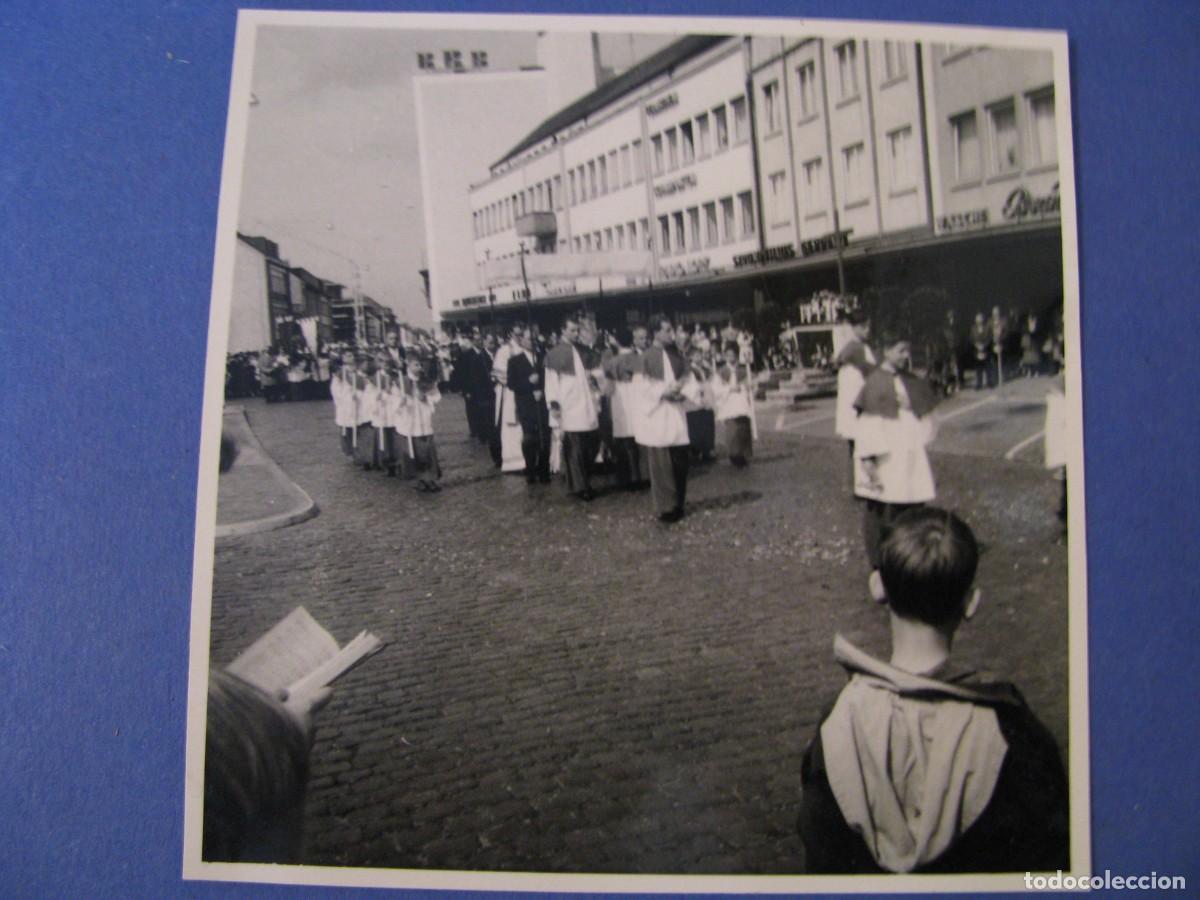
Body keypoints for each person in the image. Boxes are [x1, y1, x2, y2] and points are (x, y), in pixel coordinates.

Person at [798, 507, 1069, 874]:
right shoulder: (1013, 735)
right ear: (971, 603)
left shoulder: (837, 725)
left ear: (877, 587)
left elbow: (822, 856)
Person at [853, 335, 939, 570]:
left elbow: (927, 419)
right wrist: (869, 462)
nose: (905, 356)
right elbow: (866, 426)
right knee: (884, 511)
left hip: (909, 454)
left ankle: (911, 556)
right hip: (886, 460)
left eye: (907, 350)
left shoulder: (910, 380)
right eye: (901, 350)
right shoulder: (875, 382)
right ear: (887, 350)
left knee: (912, 506)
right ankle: (884, 563)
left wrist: (913, 407)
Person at [634, 317, 700, 523]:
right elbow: (640, 389)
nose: (672, 334)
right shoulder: (645, 358)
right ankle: (665, 507)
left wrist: (684, 394)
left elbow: (690, 381)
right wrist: (663, 393)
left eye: (672, 330)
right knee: (662, 464)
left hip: (677, 414)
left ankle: (678, 503)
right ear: (656, 333)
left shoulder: (677, 356)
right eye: (668, 330)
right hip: (658, 415)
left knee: (680, 462)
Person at [544, 315, 605, 502]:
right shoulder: (554, 354)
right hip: (569, 406)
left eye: (578, 330)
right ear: (563, 331)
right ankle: (581, 486)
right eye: (572, 330)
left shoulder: (585, 351)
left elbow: (599, 373)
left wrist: (595, 378)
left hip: (587, 404)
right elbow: (551, 382)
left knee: (592, 444)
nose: (576, 334)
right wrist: (554, 404)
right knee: (575, 448)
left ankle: (580, 481)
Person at [834, 311, 876, 489]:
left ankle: (856, 483)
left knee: (855, 444)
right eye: (863, 326)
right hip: (858, 403)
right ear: (854, 327)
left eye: (868, 326)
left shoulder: (848, 348)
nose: (867, 330)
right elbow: (872, 372)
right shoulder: (858, 348)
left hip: (849, 404)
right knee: (864, 443)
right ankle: (864, 482)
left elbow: (837, 362)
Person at [507, 324, 552, 484]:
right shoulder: (515, 361)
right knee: (529, 439)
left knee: (545, 437)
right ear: (521, 341)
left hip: (542, 404)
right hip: (526, 405)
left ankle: (544, 470)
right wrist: (528, 383)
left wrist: (543, 391)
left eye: (534, 339)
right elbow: (512, 384)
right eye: (528, 339)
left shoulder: (543, 357)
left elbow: (550, 380)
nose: (532, 342)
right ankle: (530, 469)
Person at [602, 328, 645, 489]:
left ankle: (627, 476)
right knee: (638, 435)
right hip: (637, 395)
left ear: (617, 341)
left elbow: (607, 387)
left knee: (624, 438)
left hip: (620, 396)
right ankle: (642, 474)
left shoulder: (612, 362)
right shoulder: (639, 359)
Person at [709, 343, 754, 467]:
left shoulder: (742, 370)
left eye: (733, 355)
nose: (730, 357)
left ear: (736, 355)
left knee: (743, 427)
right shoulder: (721, 372)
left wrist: (746, 387)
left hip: (741, 401)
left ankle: (744, 454)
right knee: (733, 428)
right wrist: (729, 389)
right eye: (728, 355)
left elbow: (749, 385)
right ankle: (734, 454)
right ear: (724, 356)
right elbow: (715, 389)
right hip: (729, 401)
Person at [491, 329, 526, 473]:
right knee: (511, 428)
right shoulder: (504, 350)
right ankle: (513, 462)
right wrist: (517, 379)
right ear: (511, 334)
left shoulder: (525, 348)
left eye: (521, 334)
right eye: (517, 334)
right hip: (510, 394)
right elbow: (498, 374)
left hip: (524, 393)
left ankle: (526, 458)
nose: (519, 337)